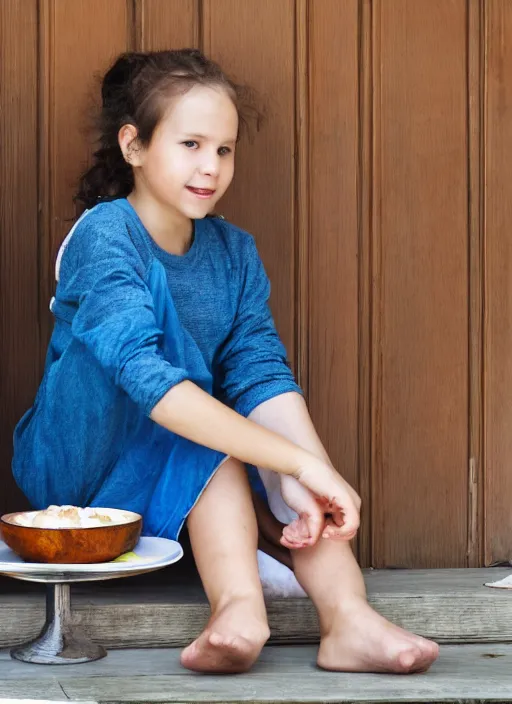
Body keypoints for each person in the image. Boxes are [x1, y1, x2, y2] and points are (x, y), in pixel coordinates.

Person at [12, 49, 439, 675]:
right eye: (190, 144)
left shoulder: (234, 253)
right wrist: (287, 458)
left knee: (260, 430)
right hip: (75, 477)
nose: (210, 168)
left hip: (177, 461)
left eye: (224, 150)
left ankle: (349, 619)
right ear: (134, 146)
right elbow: (148, 379)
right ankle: (240, 604)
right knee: (212, 414)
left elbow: (260, 372)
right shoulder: (105, 236)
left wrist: (309, 472)